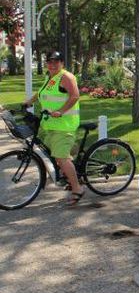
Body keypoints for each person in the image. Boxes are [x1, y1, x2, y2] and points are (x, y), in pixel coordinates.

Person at [23, 51, 84, 205]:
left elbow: (75, 96)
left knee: (61, 158)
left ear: (62, 63)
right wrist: (29, 102)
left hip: (64, 125)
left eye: (56, 61)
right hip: (51, 124)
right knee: (58, 156)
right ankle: (73, 169)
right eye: (49, 61)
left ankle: (77, 188)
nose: (52, 64)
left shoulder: (66, 77)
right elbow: (41, 93)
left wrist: (61, 111)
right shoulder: (50, 77)